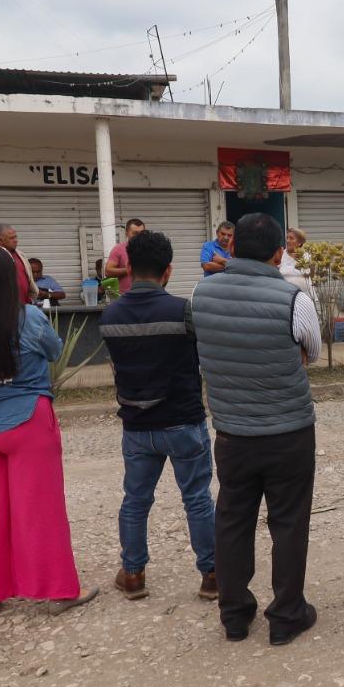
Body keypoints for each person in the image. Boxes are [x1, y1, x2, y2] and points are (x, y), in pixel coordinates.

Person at [191, 212, 322, 645]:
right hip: (289, 431)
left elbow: (203, 347)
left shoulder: (200, 294)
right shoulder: (293, 298)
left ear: (230, 248)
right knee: (288, 522)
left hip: (232, 432)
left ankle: (234, 614)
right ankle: (286, 616)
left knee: (232, 518)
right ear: (279, 252)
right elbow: (313, 352)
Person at [0, 245, 96, 621]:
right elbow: (54, 349)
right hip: (26, 420)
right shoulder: (27, 316)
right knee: (40, 511)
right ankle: (59, 592)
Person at [99, 229, 218, 602]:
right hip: (184, 421)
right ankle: (212, 575)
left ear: (129, 268)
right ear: (168, 270)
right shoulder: (184, 310)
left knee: (136, 500)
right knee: (197, 499)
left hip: (136, 426)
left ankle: (133, 573)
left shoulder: (110, 315)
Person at [0, 223, 38, 302]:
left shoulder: (20, 255)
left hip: (24, 306)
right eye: (11, 238)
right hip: (4, 308)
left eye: (15, 237)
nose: (16, 240)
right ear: (0, 240)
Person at [104, 218, 148, 290]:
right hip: (126, 297)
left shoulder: (150, 249)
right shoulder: (119, 249)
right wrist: (129, 269)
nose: (139, 236)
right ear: (126, 234)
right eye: (135, 233)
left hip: (146, 295)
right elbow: (108, 271)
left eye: (142, 233)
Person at [279, 226, 311, 292]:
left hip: (305, 295)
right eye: (287, 238)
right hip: (286, 295)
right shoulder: (280, 255)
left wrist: (300, 261)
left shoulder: (306, 256)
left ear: (299, 243)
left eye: (291, 238)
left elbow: (310, 275)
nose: (287, 241)